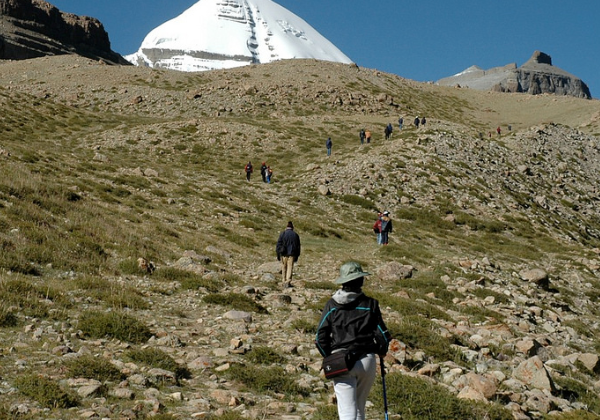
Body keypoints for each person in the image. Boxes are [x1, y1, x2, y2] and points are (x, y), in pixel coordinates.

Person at [316, 262, 391, 420]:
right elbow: (383, 335)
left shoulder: (332, 305)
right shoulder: (370, 304)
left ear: (343, 282)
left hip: (341, 361)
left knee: (347, 411)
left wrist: (329, 357)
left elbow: (320, 337)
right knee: (359, 407)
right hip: (366, 360)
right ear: (360, 281)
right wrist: (382, 351)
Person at [276, 221, 301, 288]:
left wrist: (278, 254)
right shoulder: (295, 235)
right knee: (290, 267)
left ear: (286, 227)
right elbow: (298, 246)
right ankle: (288, 280)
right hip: (292, 254)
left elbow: (278, 244)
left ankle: (283, 280)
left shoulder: (283, 234)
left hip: (283, 253)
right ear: (292, 227)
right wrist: (297, 255)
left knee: (284, 267)